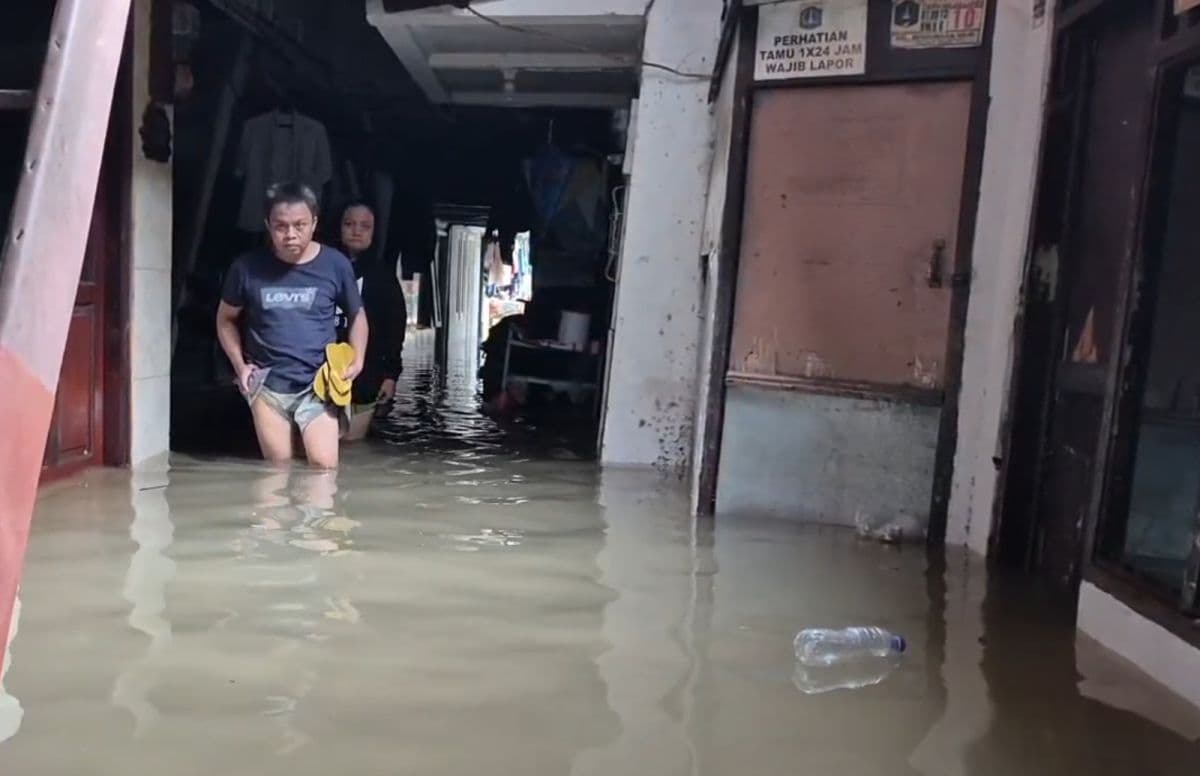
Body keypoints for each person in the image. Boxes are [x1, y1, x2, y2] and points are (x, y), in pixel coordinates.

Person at [216, 182, 368, 468]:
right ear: (267, 225)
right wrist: (240, 366)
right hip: (267, 385)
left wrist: (358, 359)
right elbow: (225, 319)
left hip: (319, 384)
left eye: (299, 225)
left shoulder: (335, 264)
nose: (290, 235)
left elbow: (357, 315)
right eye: (281, 226)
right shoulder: (246, 268)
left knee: (323, 469)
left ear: (314, 222)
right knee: (277, 471)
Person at [337, 201, 407, 442]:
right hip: (321, 373)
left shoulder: (383, 278)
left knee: (353, 447)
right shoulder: (322, 270)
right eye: (349, 224)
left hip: (367, 375)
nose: (356, 231)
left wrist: (391, 375)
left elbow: (395, 329)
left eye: (364, 226)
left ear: (375, 232)